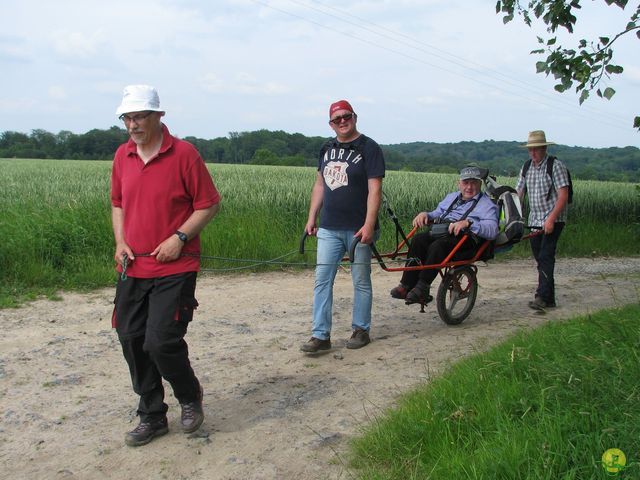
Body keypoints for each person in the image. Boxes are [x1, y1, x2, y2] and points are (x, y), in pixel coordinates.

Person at [110, 85, 221, 447]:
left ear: (159, 117)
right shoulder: (122, 156)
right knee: (130, 338)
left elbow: (208, 204)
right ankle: (152, 415)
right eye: (127, 117)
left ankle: (189, 397)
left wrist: (180, 238)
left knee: (160, 341)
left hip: (176, 266)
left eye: (139, 116)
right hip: (133, 267)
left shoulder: (185, 154)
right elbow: (118, 204)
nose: (132, 124)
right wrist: (121, 242)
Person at [300, 100, 385, 353]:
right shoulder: (326, 148)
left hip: (359, 229)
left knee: (360, 280)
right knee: (322, 280)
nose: (342, 122)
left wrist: (369, 225)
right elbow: (319, 185)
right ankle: (320, 336)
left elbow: (375, 189)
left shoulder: (369, 148)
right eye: (336, 119)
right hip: (329, 227)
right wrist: (311, 217)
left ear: (354, 117)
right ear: (331, 124)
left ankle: (361, 330)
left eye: (345, 116)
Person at [390, 166, 499, 304]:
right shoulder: (451, 197)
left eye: (474, 183)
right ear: (459, 183)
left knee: (438, 246)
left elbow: (493, 230)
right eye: (466, 183)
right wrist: (426, 214)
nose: (469, 187)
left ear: (480, 184)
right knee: (418, 240)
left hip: (467, 239)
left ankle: (422, 287)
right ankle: (406, 285)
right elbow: (437, 213)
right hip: (444, 231)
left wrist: (469, 223)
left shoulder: (486, 204)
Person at [516, 130, 570, 310]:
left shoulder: (556, 166)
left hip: (554, 218)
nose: (533, 153)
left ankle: (541, 297)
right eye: (530, 149)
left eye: (537, 149)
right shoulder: (526, 167)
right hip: (535, 219)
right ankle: (550, 299)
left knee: (546, 256)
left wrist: (551, 220)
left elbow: (563, 196)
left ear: (544, 148)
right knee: (540, 258)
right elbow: (519, 193)